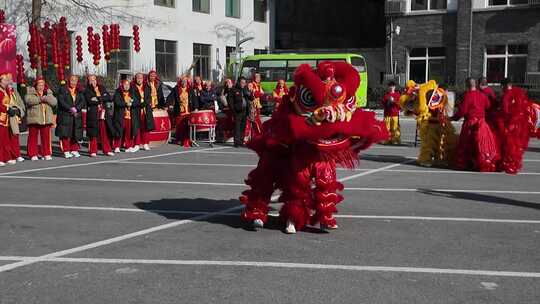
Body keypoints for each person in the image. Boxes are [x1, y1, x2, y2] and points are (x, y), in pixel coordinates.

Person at [451, 78, 499, 172]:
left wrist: (454, 118)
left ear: (467, 85)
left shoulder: (467, 96)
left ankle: (468, 163)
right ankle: (479, 163)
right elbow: (488, 106)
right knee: (481, 144)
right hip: (482, 123)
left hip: (470, 123)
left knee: (467, 143)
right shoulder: (483, 95)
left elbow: (462, 111)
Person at [496, 78, 531, 174]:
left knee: (508, 145)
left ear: (504, 85)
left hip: (509, 124)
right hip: (519, 124)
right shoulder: (519, 93)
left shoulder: (506, 96)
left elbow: (505, 111)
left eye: (501, 86)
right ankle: (515, 163)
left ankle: (510, 164)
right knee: (516, 144)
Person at [25, 77, 57, 161]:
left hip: (46, 118)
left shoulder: (48, 92)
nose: (41, 86)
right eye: (39, 84)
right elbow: (28, 101)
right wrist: (40, 99)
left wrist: (46, 98)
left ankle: (46, 153)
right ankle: (32, 154)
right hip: (34, 117)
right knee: (33, 137)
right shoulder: (30, 92)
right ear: (36, 85)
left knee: (46, 137)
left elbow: (54, 102)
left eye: (42, 84)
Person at [56, 75, 85, 159]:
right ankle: (66, 150)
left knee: (75, 132)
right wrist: (70, 108)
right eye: (72, 80)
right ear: (69, 81)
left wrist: (77, 108)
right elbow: (61, 101)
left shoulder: (79, 90)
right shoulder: (63, 89)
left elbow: (82, 101)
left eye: (75, 80)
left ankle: (74, 149)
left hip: (76, 114)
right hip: (65, 115)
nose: (73, 82)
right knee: (65, 133)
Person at [84, 75, 113, 157]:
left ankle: (107, 150)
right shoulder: (87, 90)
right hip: (93, 114)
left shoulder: (102, 87)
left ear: (96, 80)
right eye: (90, 80)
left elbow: (108, 97)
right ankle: (93, 150)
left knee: (104, 132)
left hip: (103, 114)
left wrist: (97, 98)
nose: (92, 82)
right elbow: (89, 101)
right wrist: (101, 98)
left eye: (94, 80)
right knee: (93, 133)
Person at [0, 72, 25, 165]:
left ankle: (7, 157)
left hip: (7, 118)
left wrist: (15, 109)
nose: (6, 82)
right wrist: (7, 108)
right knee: (1, 140)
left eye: (7, 80)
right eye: (5, 80)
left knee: (6, 139)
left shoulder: (7, 91)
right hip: (1, 118)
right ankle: (1, 158)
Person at [135, 71, 162, 151]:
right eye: (138, 78)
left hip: (146, 109)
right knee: (137, 127)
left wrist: (144, 103)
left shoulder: (146, 87)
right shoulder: (133, 87)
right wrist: (138, 104)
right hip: (136, 110)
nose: (139, 79)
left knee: (146, 127)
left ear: (143, 79)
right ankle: (137, 143)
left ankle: (145, 143)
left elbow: (148, 98)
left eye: (140, 78)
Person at [113, 79, 140, 152]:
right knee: (119, 131)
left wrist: (132, 104)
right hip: (120, 115)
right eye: (125, 85)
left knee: (129, 132)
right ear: (122, 85)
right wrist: (126, 104)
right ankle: (117, 146)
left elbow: (137, 102)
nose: (127, 86)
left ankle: (128, 146)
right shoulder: (118, 92)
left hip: (130, 116)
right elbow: (117, 102)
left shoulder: (132, 92)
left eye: (128, 85)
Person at [167, 76, 192, 147]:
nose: (184, 83)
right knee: (180, 125)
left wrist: (195, 107)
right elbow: (170, 97)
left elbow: (194, 99)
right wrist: (170, 104)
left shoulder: (190, 89)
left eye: (185, 81)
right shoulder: (176, 89)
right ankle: (179, 139)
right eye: (183, 81)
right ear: (180, 82)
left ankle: (187, 140)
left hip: (188, 110)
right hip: (179, 110)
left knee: (187, 126)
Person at [228, 77, 254, 147]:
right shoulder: (233, 89)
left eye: (244, 83)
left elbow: (251, 98)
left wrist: (250, 92)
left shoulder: (245, 89)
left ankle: (241, 141)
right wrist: (233, 110)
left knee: (243, 127)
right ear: (239, 82)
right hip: (237, 111)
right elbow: (230, 102)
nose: (243, 84)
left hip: (245, 110)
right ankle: (236, 142)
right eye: (242, 83)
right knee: (237, 127)